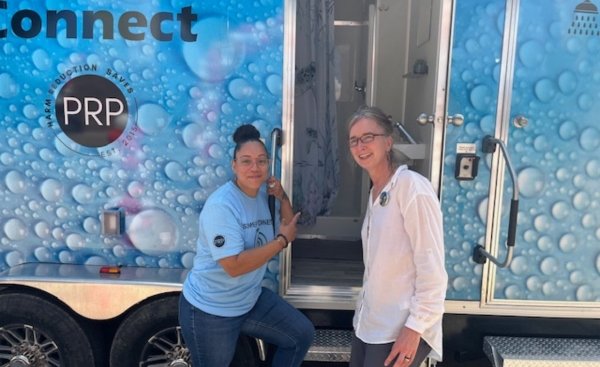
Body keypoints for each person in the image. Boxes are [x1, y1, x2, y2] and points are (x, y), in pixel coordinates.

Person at [179, 124, 315, 366]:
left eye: (261, 161)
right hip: (212, 310)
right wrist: (281, 241)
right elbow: (233, 265)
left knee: (300, 334)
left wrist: (282, 196)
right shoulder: (223, 206)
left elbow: (287, 222)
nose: (255, 168)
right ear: (234, 166)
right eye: (246, 161)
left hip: (248, 299)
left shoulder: (262, 195)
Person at [347, 106, 448, 367]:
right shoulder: (377, 193)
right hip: (369, 325)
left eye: (369, 137)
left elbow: (433, 270)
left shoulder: (412, 188)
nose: (361, 146)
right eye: (354, 140)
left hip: (399, 329)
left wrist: (414, 330)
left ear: (388, 142)